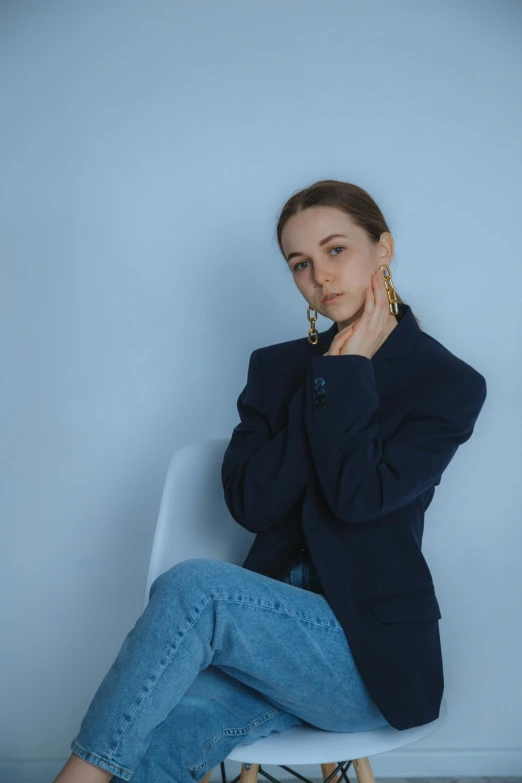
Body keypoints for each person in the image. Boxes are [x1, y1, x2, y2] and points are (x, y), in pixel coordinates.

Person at [53, 180, 487, 782]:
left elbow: (359, 501)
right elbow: (254, 505)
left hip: (364, 660)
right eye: (300, 263)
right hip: (264, 648)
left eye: (336, 250)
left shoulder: (448, 383)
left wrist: (346, 380)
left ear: (382, 249)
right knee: (167, 741)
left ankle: (76, 777)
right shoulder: (277, 367)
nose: (321, 277)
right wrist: (324, 380)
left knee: (196, 587)